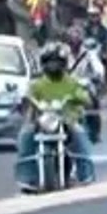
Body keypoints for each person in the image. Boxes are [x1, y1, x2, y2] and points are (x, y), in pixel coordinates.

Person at [15, 42, 96, 190]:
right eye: (50, 62)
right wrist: (26, 100)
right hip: (43, 121)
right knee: (25, 135)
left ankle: (86, 175)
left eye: (56, 62)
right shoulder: (37, 84)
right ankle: (27, 178)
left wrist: (78, 98)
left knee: (80, 134)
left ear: (63, 64)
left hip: (68, 120)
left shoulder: (72, 82)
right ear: (44, 64)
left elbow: (85, 98)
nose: (53, 66)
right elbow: (27, 96)